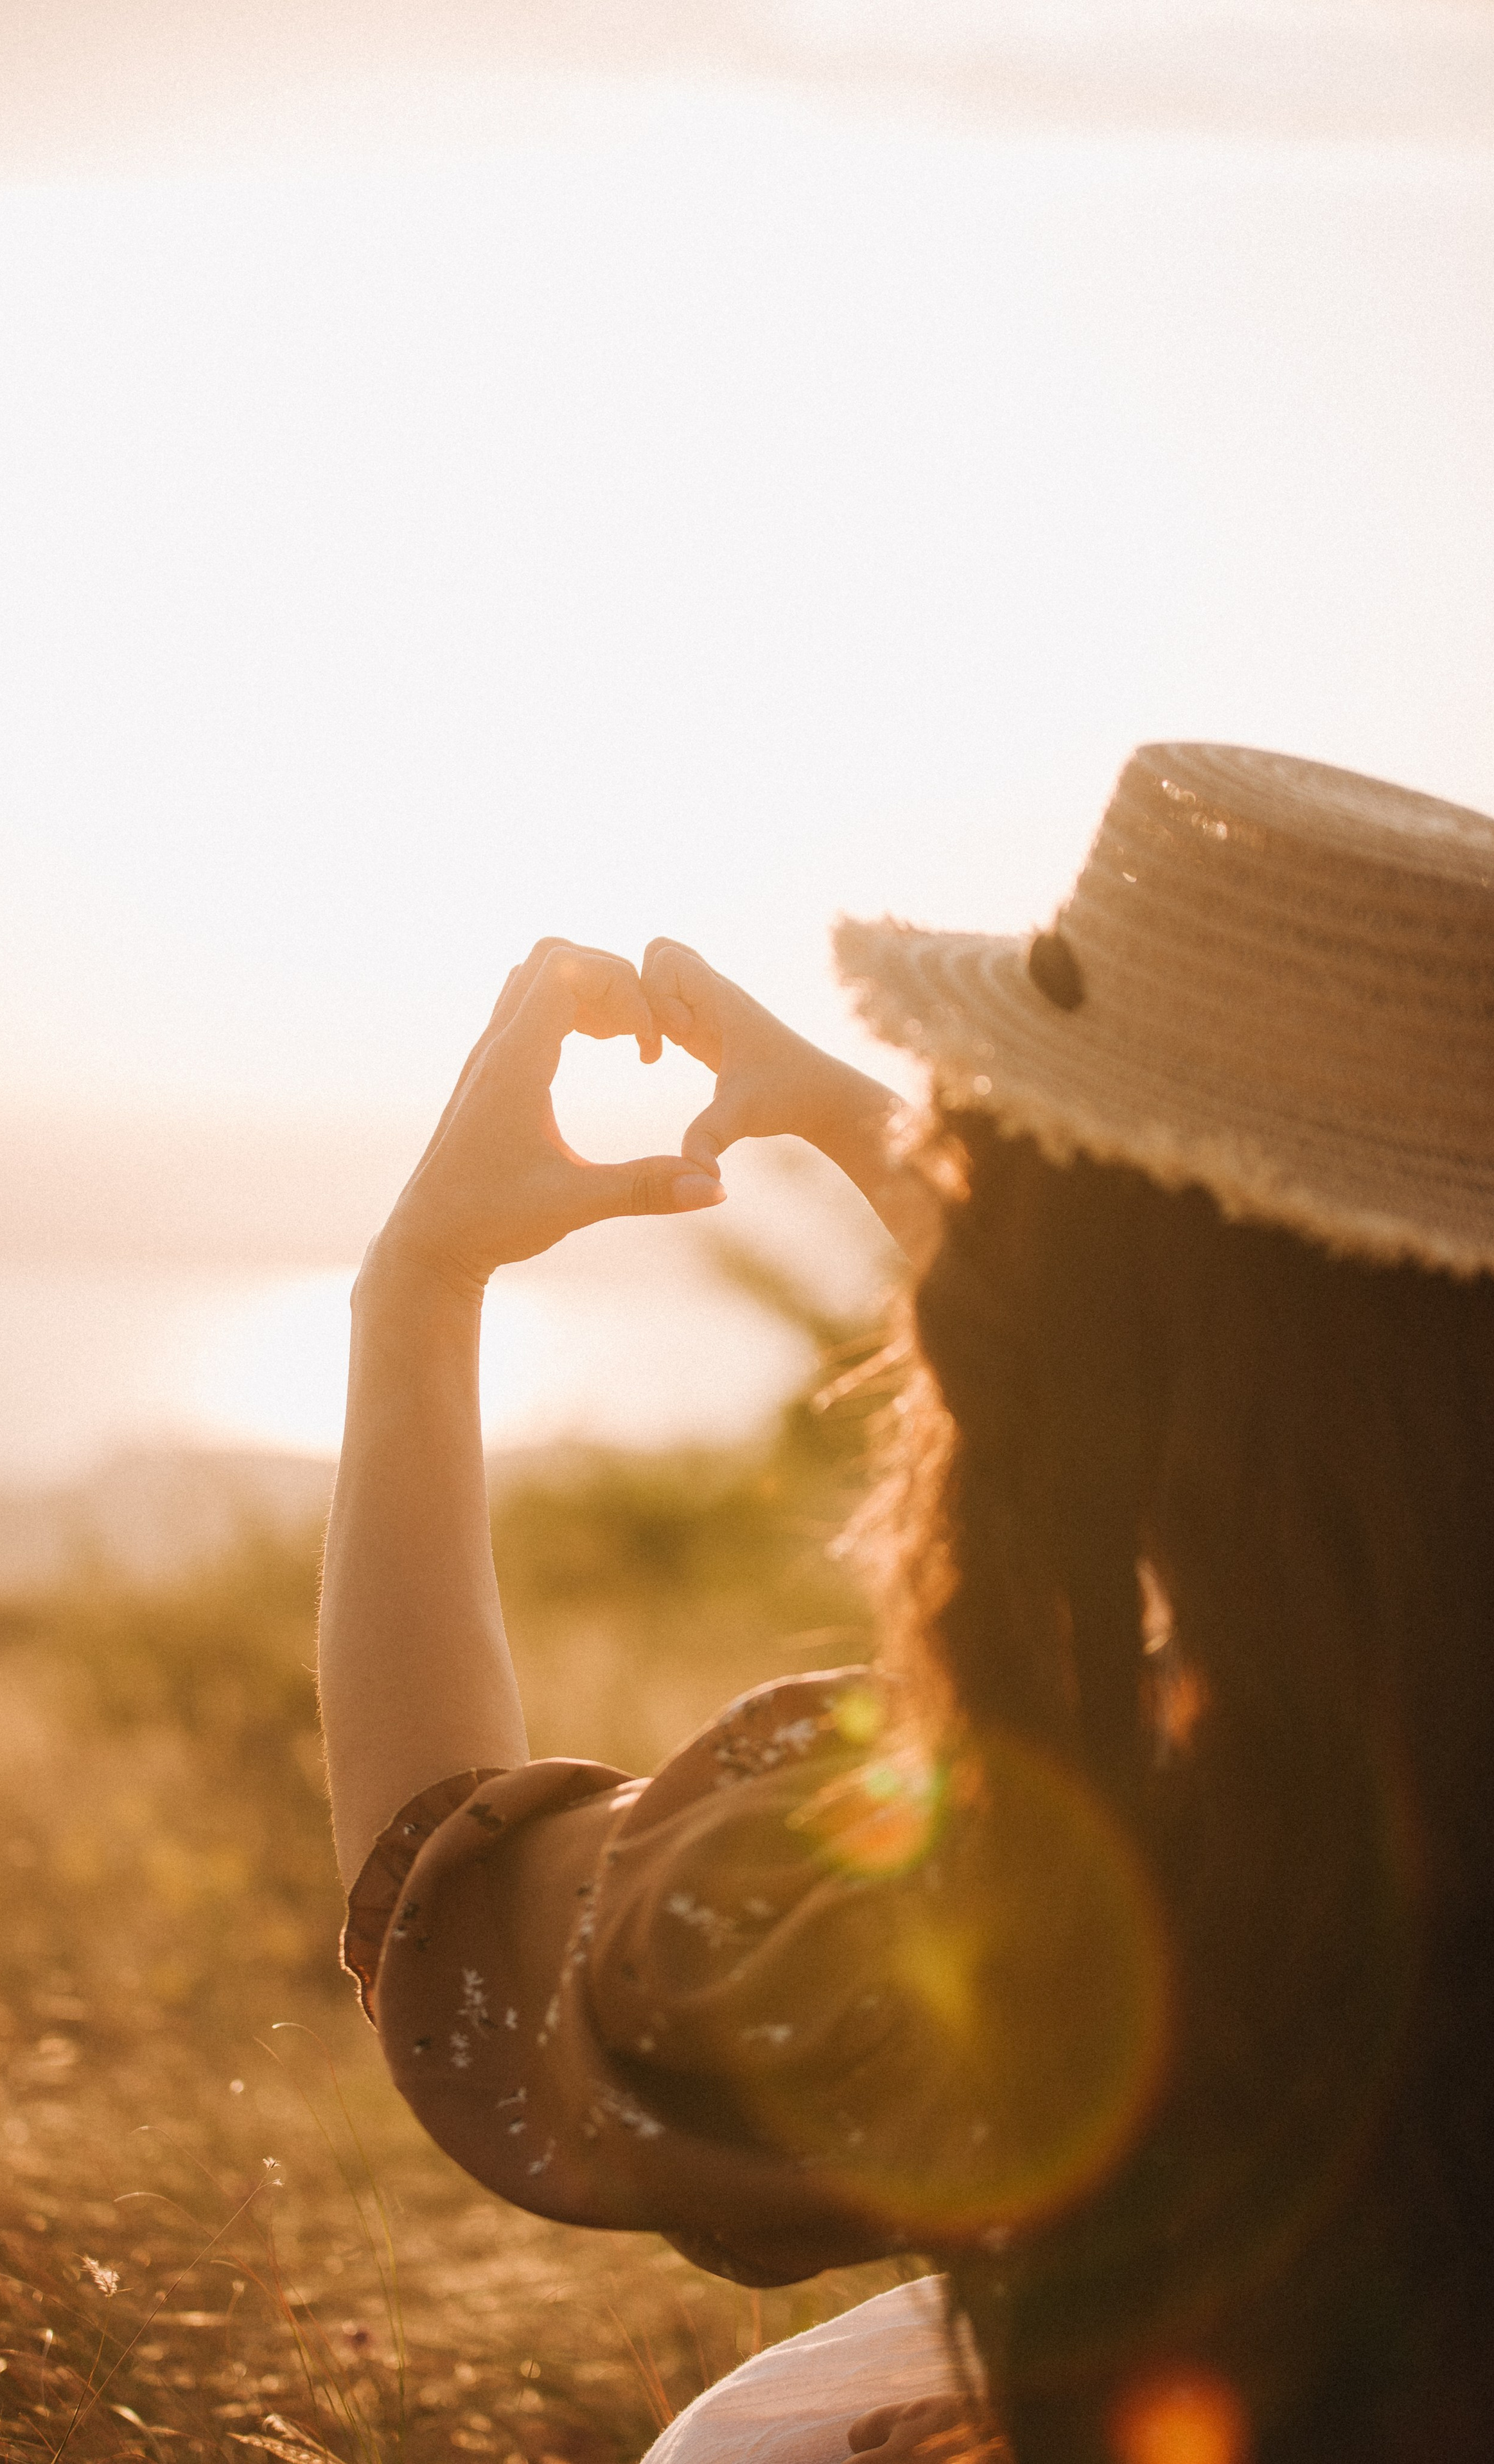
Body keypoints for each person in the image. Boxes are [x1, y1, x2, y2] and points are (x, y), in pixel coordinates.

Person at [317, 743, 1494, 2464]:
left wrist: (418, 1280)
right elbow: (1253, 1375)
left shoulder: (1056, 1893)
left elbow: (452, 1892)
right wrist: (891, 1138)